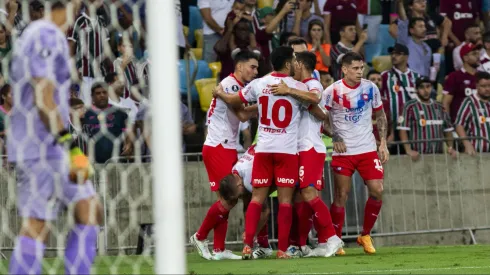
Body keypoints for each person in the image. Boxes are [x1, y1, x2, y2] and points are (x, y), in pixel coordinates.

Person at [7, 2, 102, 274]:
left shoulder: (53, 35)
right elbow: (43, 97)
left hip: (51, 148)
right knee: (38, 224)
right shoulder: (43, 34)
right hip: (39, 148)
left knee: (89, 207)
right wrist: (72, 148)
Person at [213, 46, 307, 259]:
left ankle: (247, 246)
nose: (295, 63)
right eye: (293, 60)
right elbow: (314, 100)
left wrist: (220, 93)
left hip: (263, 149)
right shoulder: (297, 87)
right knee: (284, 201)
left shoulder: (259, 83)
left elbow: (236, 100)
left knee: (256, 198)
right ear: (287, 63)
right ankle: (282, 250)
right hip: (287, 150)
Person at [270, 51, 343, 257]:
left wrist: (288, 90)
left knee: (310, 194)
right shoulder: (297, 86)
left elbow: (316, 97)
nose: (291, 65)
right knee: (300, 199)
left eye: (293, 62)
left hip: (310, 148)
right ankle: (301, 244)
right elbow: (318, 111)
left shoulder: (313, 83)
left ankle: (331, 238)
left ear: (300, 64)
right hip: (297, 148)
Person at [189, 51, 259, 261]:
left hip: (225, 146)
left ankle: (219, 249)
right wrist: (267, 103)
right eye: (252, 67)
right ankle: (200, 237)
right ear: (239, 66)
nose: (255, 72)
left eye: (257, 68)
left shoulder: (234, 87)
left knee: (227, 199)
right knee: (229, 198)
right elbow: (243, 114)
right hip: (219, 146)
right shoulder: (230, 86)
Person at [323, 51, 389, 255]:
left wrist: (383, 142)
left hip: (368, 149)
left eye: (362, 68)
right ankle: (336, 240)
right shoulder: (332, 91)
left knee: (377, 190)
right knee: (341, 196)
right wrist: (335, 137)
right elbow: (320, 119)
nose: (360, 72)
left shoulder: (371, 87)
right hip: (344, 152)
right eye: (355, 68)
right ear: (344, 69)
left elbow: (380, 114)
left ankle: (366, 235)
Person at [219, 145, 273, 259]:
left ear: (239, 185)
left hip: (285, 153)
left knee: (292, 199)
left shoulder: (248, 179)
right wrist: (248, 232)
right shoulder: (235, 172)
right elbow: (247, 206)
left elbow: (265, 211)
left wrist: (252, 234)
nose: (238, 199)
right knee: (251, 202)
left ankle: (299, 245)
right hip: (268, 152)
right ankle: (264, 246)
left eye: (237, 196)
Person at [398, 77, 457, 161]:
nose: (425, 90)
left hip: (438, 157)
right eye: (422, 87)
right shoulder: (409, 107)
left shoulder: (439, 107)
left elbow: (448, 130)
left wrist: (450, 147)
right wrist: (408, 150)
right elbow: (402, 130)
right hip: (417, 157)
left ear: (432, 87)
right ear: (416, 89)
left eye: (428, 86)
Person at [380, 44, 420, 153]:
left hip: (413, 127)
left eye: (398, 54)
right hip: (392, 127)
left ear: (406, 56)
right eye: (392, 53)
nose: (393, 56)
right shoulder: (384, 76)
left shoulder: (417, 77)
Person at [68, 0, 110, 106]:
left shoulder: (102, 22)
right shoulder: (78, 21)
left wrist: (109, 70)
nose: (101, 2)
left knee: (102, 105)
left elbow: (107, 48)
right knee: (86, 105)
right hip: (84, 72)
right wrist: (73, 69)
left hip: (101, 72)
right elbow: (71, 46)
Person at [83, 83, 132, 163]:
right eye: (98, 93)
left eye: (104, 92)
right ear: (92, 96)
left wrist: (129, 144)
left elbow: (128, 130)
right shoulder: (87, 114)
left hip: (116, 160)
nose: (102, 95)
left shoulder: (119, 112)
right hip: (95, 161)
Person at [442, 43, 481, 122]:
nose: (478, 56)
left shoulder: (483, 76)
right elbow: (446, 102)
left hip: (481, 122)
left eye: (478, 53)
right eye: (474, 54)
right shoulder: (454, 76)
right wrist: (448, 124)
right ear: (465, 58)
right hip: (460, 123)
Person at [455, 71, 490, 154]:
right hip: (476, 154)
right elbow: (459, 125)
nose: (487, 89)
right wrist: (466, 144)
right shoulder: (469, 102)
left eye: (489, 86)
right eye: (483, 86)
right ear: (477, 86)